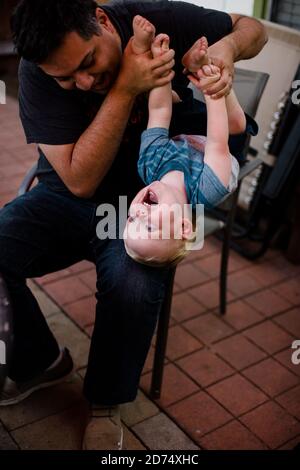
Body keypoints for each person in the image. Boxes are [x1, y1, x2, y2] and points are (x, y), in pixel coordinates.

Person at [0, 0, 268, 450]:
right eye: (65, 78)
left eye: (88, 62)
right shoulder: (35, 71)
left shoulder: (158, 19)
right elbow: (79, 180)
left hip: (145, 206)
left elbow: (252, 28)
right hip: (67, 196)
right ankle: (40, 361)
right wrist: (125, 86)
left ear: (102, 21)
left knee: (133, 281)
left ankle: (106, 401)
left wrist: (225, 48)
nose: (82, 82)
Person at [124, 24, 253, 267]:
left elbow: (160, 112)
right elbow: (217, 142)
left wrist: (161, 65)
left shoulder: (149, 164)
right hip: (219, 152)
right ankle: (206, 66)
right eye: (149, 226)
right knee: (236, 124)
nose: (139, 214)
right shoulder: (208, 189)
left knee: (173, 104)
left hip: (188, 140)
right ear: (184, 226)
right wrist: (209, 84)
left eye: (131, 221)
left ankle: (191, 65)